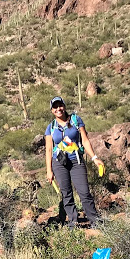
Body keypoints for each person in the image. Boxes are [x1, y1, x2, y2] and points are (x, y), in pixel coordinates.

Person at [44, 96, 103, 227]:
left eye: (60, 105)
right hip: (59, 163)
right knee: (66, 193)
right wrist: (49, 170)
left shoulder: (76, 120)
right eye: (55, 107)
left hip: (76, 161)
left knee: (84, 192)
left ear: (64, 106)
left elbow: (85, 140)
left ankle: (95, 221)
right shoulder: (51, 127)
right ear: (52, 110)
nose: (58, 109)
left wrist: (94, 158)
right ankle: (73, 222)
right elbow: (48, 149)